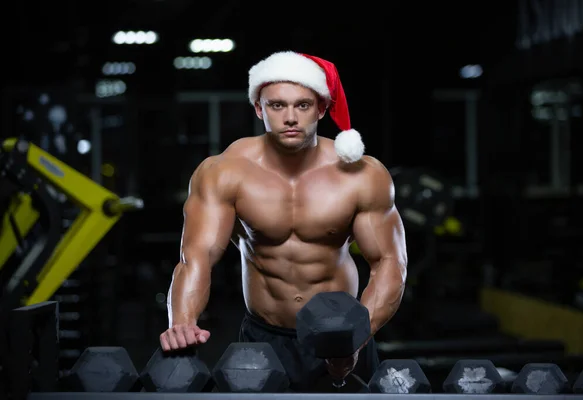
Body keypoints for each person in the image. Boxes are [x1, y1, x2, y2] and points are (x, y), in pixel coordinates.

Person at [160, 51, 408, 392]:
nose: (290, 117)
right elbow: (196, 257)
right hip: (264, 337)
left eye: (303, 105)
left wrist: (356, 338)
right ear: (259, 108)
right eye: (277, 105)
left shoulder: (362, 175)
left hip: (342, 339)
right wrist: (183, 323)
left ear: (321, 108)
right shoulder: (224, 172)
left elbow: (390, 263)